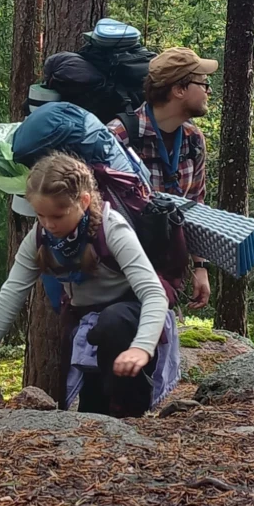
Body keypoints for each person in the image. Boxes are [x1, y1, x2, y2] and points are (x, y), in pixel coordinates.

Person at [0, 152, 178, 415]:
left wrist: (141, 348)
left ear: (83, 201)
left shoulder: (113, 229)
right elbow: (9, 296)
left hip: (132, 318)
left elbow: (154, 293)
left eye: (59, 215)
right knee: (92, 411)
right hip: (89, 324)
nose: (49, 224)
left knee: (113, 323)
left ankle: (132, 416)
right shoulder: (39, 238)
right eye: (41, 215)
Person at [108, 46, 215, 309]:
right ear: (179, 90)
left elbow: (195, 204)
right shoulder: (119, 137)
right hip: (119, 273)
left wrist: (200, 267)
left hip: (167, 270)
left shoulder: (194, 140)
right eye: (203, 83)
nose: (208, 91)